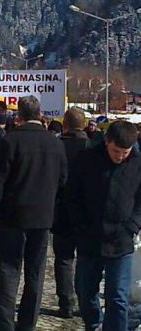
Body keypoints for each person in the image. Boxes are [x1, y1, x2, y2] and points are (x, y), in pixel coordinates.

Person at [0, 96, 67, 331]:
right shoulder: (55, 144)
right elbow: (63, 182)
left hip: (12, 217)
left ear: (18, 115)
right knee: (35, 272)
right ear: (41, 115)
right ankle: (28, 324)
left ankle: (5, 323)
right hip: (42, 219)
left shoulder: (11, 141)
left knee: (9, 271)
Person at [69, 120, 141, 331]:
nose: (120, 156)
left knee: (117, 296)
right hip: (90, 238)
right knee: (85, 291)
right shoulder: (86, 159)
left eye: (125, 152)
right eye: (116, 151)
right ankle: (93, 324)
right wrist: (79, 226)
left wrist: (132, 226)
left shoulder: (138, 163)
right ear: (107, 142)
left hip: (122, 241)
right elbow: (72, 195)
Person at [51, 108, 91, 319]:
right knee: (85, 259)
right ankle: (85, 302)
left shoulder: (56, 147)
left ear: (64, 125)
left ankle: (66, 303)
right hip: (87, 213)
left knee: (64, 259)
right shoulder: (94, 148)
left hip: (62, 210)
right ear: (84, 125)